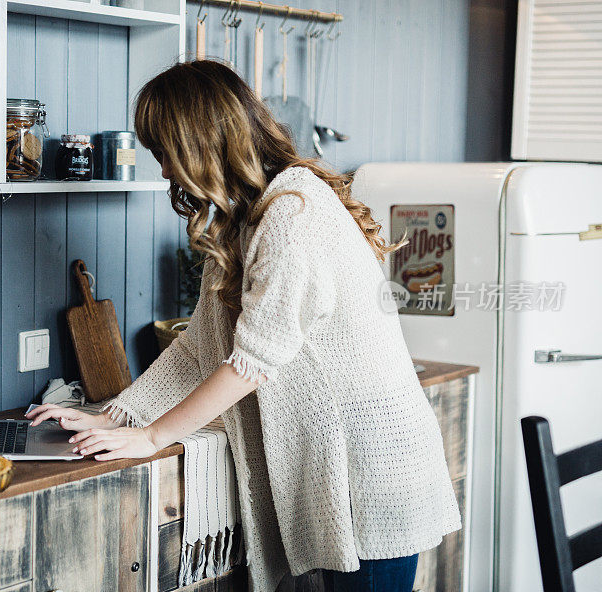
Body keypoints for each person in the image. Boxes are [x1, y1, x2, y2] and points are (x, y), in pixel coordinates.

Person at [26, 60, 460, 592]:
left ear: (199, 142)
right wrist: (110, 415)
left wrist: (153, 435)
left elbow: (250, 363)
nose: (163, 171)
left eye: (164, 153)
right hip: (337, 466)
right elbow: (198, 348)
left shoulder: (291, 212)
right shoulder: (244, 218)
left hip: (370, 470)